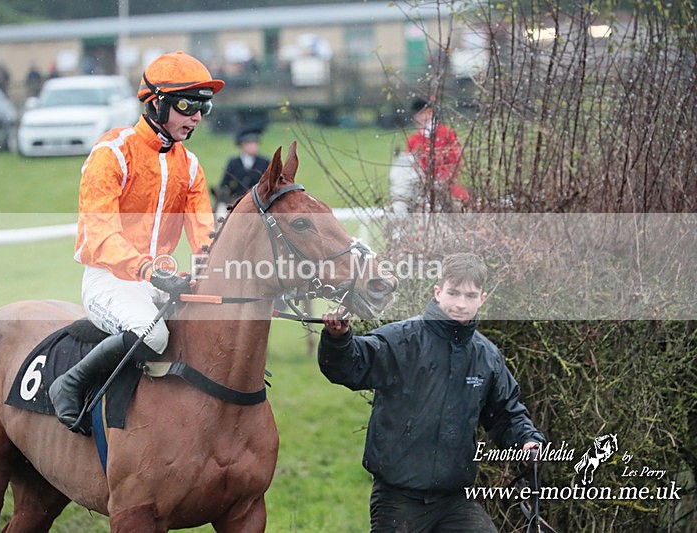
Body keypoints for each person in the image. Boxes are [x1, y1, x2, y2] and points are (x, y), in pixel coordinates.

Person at [49, 51, 224, 434]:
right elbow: (100, 234)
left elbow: (205, 237)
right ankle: (71, 382)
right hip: (109, 280)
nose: (195, 117)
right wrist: (147, 268)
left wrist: (227, 275)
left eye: (203, 108)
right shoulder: (112, 152)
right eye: (186, 105)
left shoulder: (191, 166)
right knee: (155, 335)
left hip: (160, 282)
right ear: (155, 103)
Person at [318, 253, 544, 532]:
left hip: (455, 499)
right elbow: (349, 367)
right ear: (438, 292)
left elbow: (506, 416)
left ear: (482, 299)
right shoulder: (400, 340)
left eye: (470, 296)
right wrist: (338, 340)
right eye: (454, 293)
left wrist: (527, 441)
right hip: (397, 499)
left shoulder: (487, 357)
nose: (461, 303)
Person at [398, 98, 469, 212]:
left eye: (424, 113)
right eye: (418, 115)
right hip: (423, 188)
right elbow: (410, 168)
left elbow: (456, 161)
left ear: (431, 113)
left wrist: (442, 180)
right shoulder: (413, 140)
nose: (421, 118)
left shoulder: (446, 133)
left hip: (447, 186)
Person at [212, 123, 270, 217]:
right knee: (220, 212)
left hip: (259, 200)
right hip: (236, 200)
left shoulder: (264, 162)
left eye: (255, 144)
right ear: (242, 145)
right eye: (250, 144)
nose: (253, 146)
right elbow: (224, 183)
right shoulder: (233, 162)